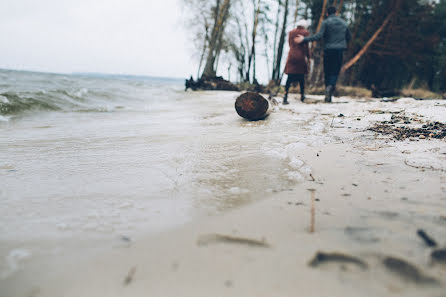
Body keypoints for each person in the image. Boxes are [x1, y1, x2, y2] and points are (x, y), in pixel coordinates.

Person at [295, 6, 351, 102]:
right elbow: (349, 37)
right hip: (339, 50)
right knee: (335, 71)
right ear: (336, 13)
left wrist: (304, 39)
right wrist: (342, 43)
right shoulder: (344, 23)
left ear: (327, 14)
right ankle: (330, 87)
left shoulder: (326, 22)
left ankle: (327, 91)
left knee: (327, 71)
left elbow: (319, 36)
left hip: (328, 50)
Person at [283, 20, 311, 105]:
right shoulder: (305, 32)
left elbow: (289, 44)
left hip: (291, 55)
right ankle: (302, 96)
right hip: (300, 56)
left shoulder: (291, 32)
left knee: (289, 77)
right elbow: (306, 46)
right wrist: (309, 57)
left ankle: (285, 96)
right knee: (301, 77)